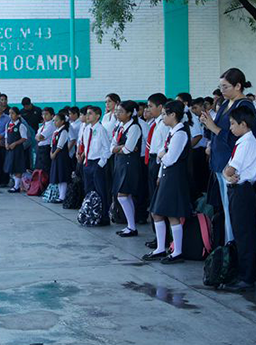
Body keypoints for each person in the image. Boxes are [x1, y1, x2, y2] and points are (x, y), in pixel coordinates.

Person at [199, 68, 256, 243]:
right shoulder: (226, 104)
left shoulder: (244, 105)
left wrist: (214, 127)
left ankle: (235, 248)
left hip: (233, 165)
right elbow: (216, 130)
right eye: (221, 87)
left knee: (235, 212)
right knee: (226, 209)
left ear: (238, 86)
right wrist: (208, 125)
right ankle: (229, 247)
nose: (222, 91)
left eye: (225, 87)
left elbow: (239, 137)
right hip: (220, 162)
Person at [143, 100, 192, 264]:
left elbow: (170, 159)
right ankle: (160, 248)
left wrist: (161, 154)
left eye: (165, 114)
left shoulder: (180, 134)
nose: (163, 117)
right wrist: (160, 170)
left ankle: (177, 251)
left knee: (172, 214)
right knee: (156, 212)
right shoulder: (172, 132)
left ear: (173, 115)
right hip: (166, 175)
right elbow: (164, 157)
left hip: (175, 177)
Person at [221, 107, 256, 291]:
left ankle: (247, 277)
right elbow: (226, 170)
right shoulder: (242, 141)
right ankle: (242, 273)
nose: (230, 128)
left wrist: (227, 174)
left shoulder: (246, 143)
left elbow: (230, 169)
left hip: (242, 190)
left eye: (232, 124)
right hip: (237, 189)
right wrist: (226, 174)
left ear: (243, 124)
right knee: (239, 232)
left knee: (244, 234)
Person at [110, 101, 147, 237]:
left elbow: (128, 149)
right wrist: (119, 148)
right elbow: (112, 147)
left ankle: (132, 226)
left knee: (123, 195)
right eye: (117, 111)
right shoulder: (120, 127)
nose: (117, 114)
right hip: (120, 163)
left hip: (129, 164)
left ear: (129, 113)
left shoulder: (134, 127)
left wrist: (119, 148)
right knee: (125, 196)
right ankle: (131, 226)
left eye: (121, 111)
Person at [82, 105, 112, 224]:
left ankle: (103, 216)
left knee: (100, 191)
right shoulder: (86, 129)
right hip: (88, 162)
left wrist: (100, 164)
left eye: (90, 113)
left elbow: (107, 149)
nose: (87, 116)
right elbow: (86, 147)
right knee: (88, 190)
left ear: (98, 116)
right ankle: (90, 215)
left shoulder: (101, 130)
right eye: (87, 113)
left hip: (97, 163)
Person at [48, 109, 72, 202]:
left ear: (62, 121)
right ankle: (59, 195)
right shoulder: (56, 131)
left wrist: (54, 153)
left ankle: (62, 196)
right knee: (57, 175)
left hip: (61, 156)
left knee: (62, 175)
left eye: (57, 120)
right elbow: (52, 144)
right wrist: (51, 152)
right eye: (54, 120)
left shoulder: (64, 131)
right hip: (55, 155)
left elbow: (60, 145)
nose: (55, 122)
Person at [4, 107, 29, 192]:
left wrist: (15, 143)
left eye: (13, 113)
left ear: (18, 115)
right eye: (9, 113)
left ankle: (16, 186)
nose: (10, 115)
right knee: (11, 166)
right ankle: (16, 183)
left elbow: (24, 138)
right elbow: (6, 136)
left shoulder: (21, 125)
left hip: (18, 149)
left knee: (18, 167)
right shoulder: (8, 124)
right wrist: (6, 143)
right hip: (10, 149)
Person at [20, 97, 41, 169]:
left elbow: (41, 121)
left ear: (30, 104)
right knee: (27, 153)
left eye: (27, 106)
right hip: (26, 136)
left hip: (36, 134)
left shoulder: (37, 110)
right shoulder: (22, 112)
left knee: (36, 151)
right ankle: (28, 168)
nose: (26, 108)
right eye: (24, 106)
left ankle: (36, 167)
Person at [35, 107, 55, 173]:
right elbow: (36, 137)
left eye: (46, 114)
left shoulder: (51, 125)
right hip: (40, 148)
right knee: (39, 167)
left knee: (45, 167)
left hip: (46, 148)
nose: (44, 116)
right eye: (43, 114)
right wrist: (38, 137)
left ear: (52, 115)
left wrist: (39, 137)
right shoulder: (43, 126)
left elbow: (41, 137)